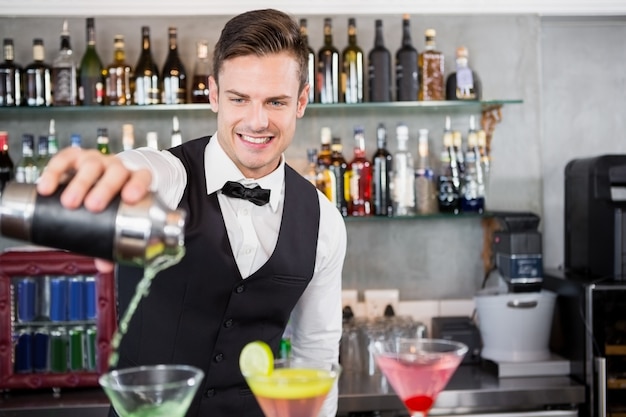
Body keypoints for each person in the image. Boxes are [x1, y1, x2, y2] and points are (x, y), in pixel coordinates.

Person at [37, 8, 346, 417]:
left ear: (301, 102)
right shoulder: (169, 178)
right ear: (214, 94)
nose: (258, 121)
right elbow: (140, 168)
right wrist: (112, 173)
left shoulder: (324, 220)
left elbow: (315, 354)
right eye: (239, 99)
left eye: (276, 101)